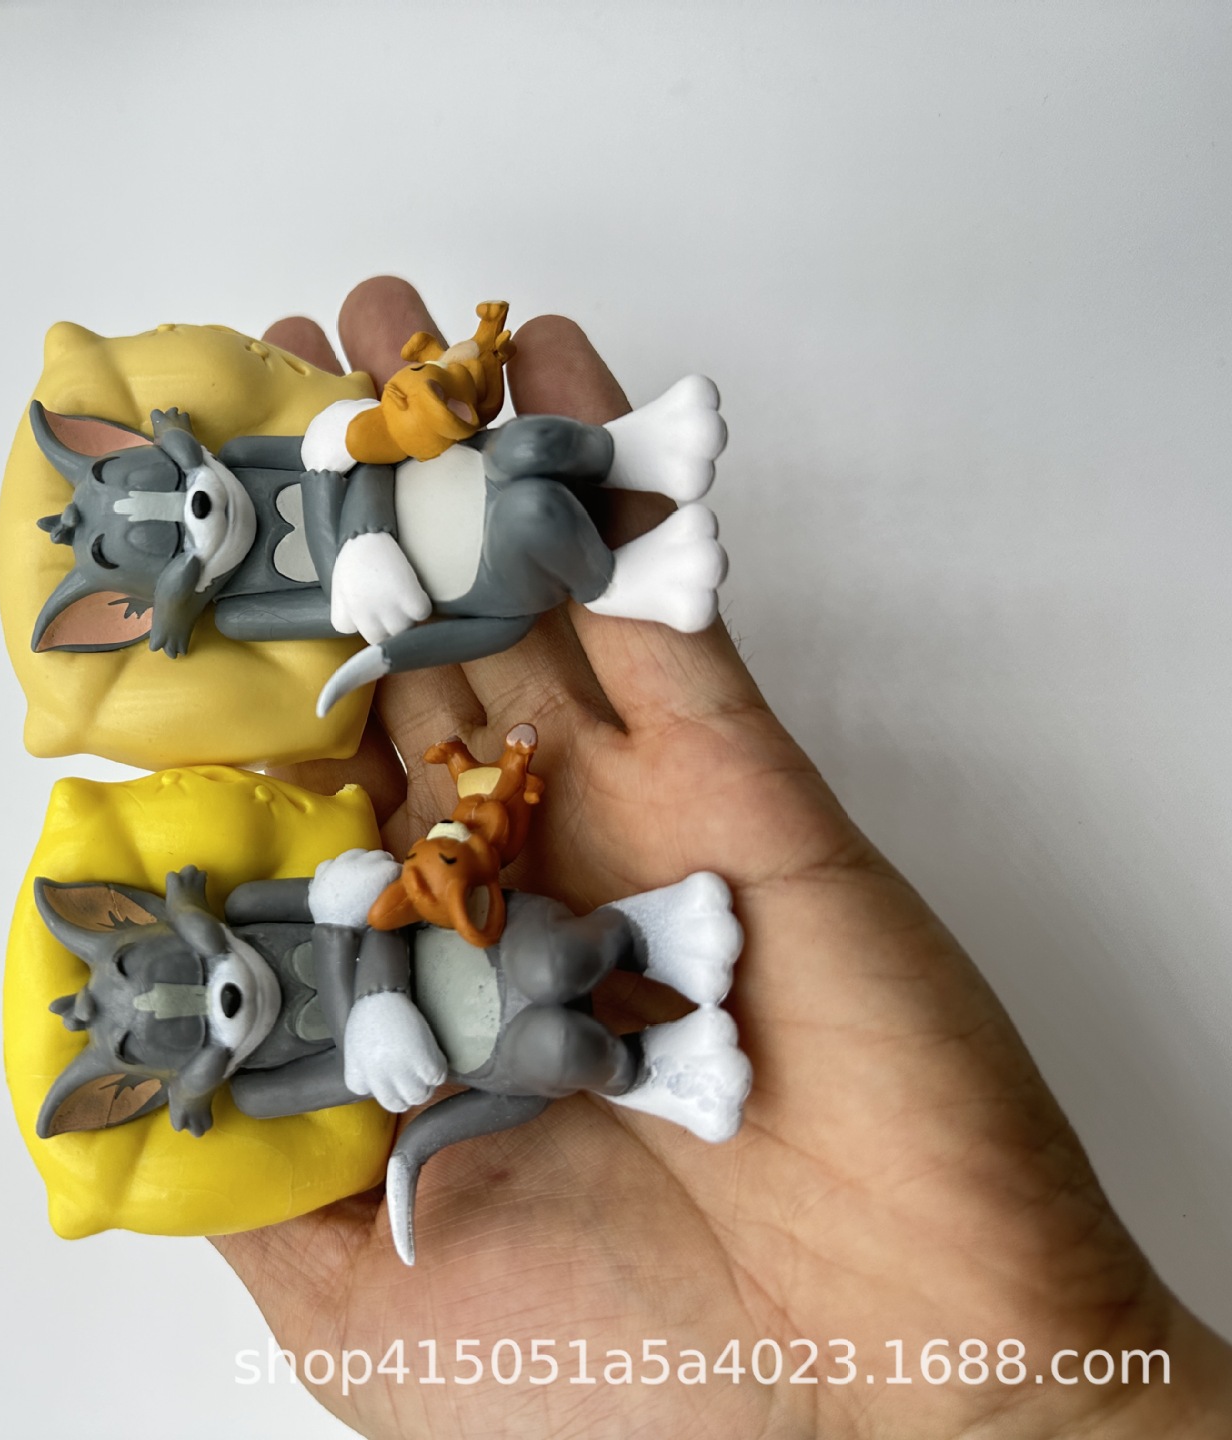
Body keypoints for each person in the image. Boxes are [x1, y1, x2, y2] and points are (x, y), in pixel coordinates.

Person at [209, 276, 1232, 1438]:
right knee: (562, 1034)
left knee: (538, 471)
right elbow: (384, 1073)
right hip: (470, 1007)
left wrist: (364, 465)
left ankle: (634, 502)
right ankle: (660, 1062)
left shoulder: (309, 464)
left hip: (446, 609)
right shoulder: (284, 1048)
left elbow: (334, 881)